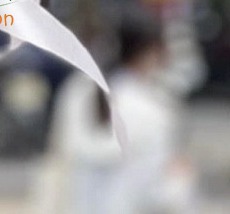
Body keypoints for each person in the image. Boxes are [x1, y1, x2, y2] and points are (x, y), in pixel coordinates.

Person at [35, 14, 196, 214]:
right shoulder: (154, 111)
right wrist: (181, 179)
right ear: (151, 52)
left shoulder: (78, 90)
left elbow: (58, 161)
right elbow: (159, 194)